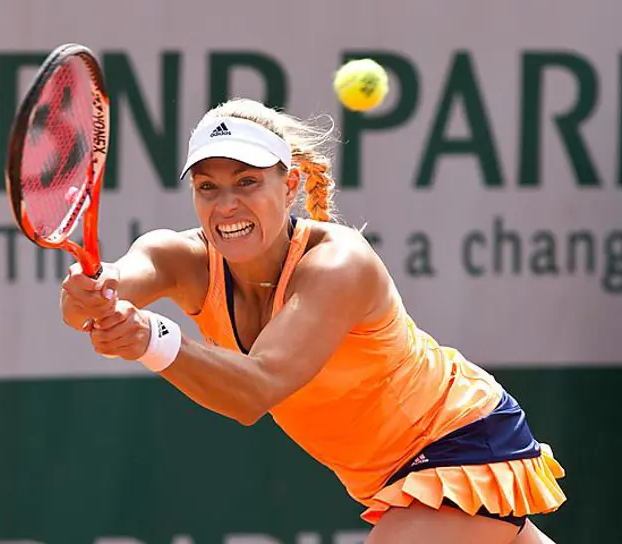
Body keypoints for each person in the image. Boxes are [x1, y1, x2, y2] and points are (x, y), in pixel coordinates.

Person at [60, 98, 566, 543]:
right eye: (208, 186)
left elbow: (255, 391)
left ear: (291, 185)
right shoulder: (179, 257)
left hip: (460, 441)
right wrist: (93, 293)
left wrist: (149, 338)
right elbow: (99, 292)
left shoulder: (339, 262)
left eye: (248, 181)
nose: (226, 203)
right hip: (394, 477)